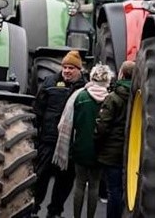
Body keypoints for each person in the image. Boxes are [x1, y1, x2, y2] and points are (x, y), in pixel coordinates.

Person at [55, 64, 113, 218]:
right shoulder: (109, 99)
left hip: (80, 147)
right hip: (100, 150)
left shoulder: (80, 97)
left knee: (79, 184)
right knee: (94, 186)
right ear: (107, 80)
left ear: (92, 78)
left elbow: (71, 123)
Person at [34, 50, 87, 218]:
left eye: (71, 68)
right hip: (48, 141)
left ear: (79, 70)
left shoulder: (85, 89)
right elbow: (38, 111)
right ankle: (33, 208)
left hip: (70, 145)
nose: (67, 71)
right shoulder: (50, 83)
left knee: (64, 181)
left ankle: (55, 211)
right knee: (40, 176)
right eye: (65, 67)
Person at [95, 61, 135, 218]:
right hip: (131, 151)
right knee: (127, 189)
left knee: (114, 190)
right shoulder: (139, 95)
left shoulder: (113, 97)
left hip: (112, 151)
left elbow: (103, 125)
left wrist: (96, 142)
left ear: (121, 74)